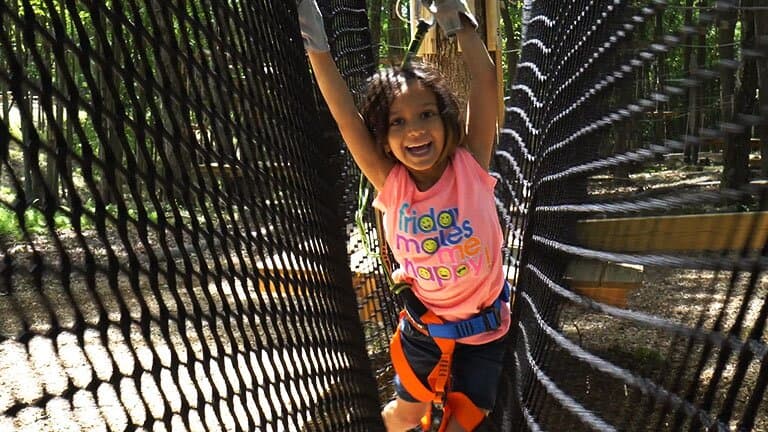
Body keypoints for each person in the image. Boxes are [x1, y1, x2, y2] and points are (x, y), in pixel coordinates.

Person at [297, 1, 509, 430]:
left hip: (485, 333)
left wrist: (458, 22)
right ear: (383, 138)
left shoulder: (470, 164)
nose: (415, 129)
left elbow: (486, 81)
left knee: (464, 422)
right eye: (398, 122)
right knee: (406, 413)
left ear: (447, 120)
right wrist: (315, 47)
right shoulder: (392, 184)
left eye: (427, 114)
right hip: (424, 331)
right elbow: (345, 117)